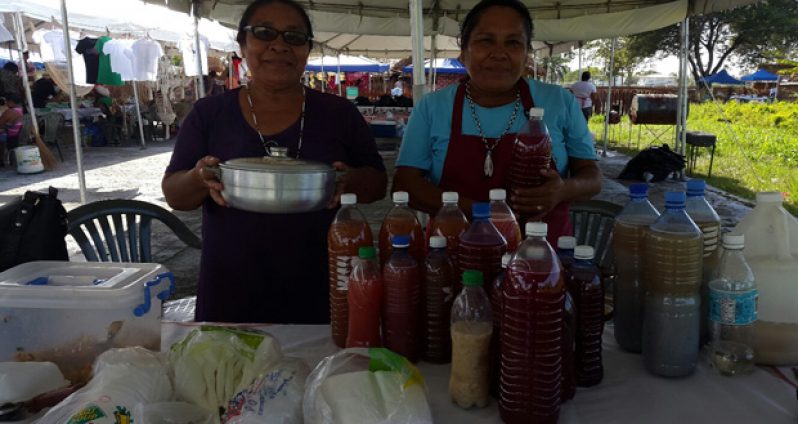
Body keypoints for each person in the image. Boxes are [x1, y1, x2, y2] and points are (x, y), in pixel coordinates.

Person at [162, 0, 387, 324]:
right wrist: (200, 178)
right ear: (242, 44)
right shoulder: (209, 114)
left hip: (320, 284)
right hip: (230, 287)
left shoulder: (339, 114)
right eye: (265, 33)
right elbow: (174, 195)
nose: (279, 45)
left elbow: (377, 185)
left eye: (294, 37)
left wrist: (347, 179)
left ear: (308, 49)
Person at [393, 0, 601, 244]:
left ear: (526, 54)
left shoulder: (559, 101)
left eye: (513, 42)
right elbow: (405, 185)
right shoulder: (432, 107)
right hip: (452, 255)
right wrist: (482, 212)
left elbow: (592, 177)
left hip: (542, 261)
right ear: (464, 49)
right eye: (486, 40)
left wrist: (563, 190)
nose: (499, 54)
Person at [0, 96, 23, 166]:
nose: (5, 103)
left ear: (11, 102)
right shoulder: (22, 109)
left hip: (10, 136)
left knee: (1, 134)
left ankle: (1, 160)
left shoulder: (9, 112)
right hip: (17, 135)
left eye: (7, 101)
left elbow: (0, 124)